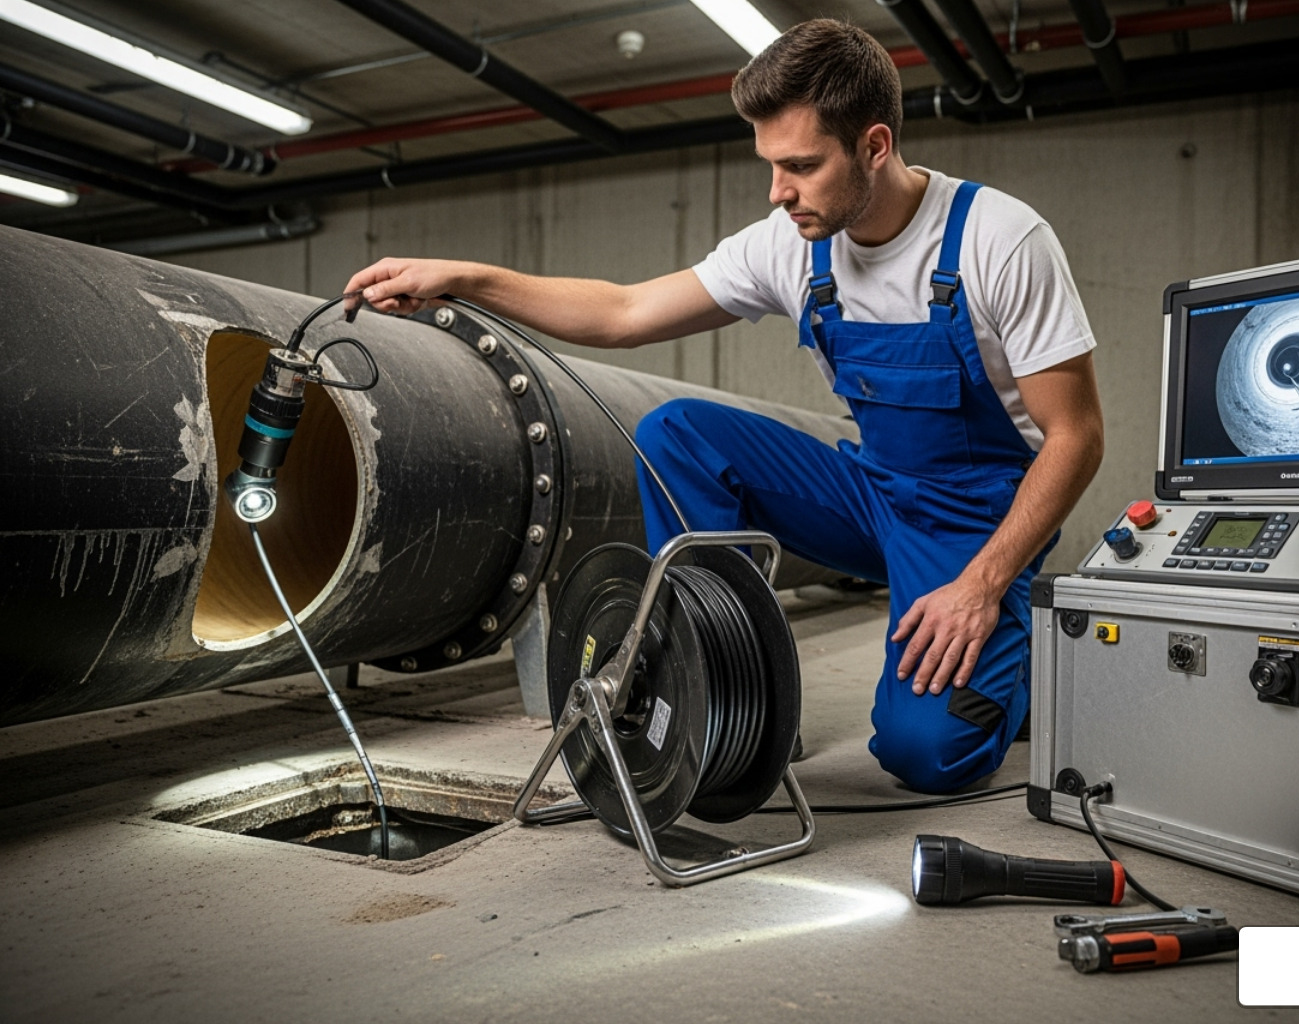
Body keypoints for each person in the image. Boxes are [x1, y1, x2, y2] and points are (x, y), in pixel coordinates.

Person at [344, 19, 1104, 794]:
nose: (779, 192)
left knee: (926, 754)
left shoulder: (999, 241)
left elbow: (1076, 437)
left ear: (875, 146)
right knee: (678, 433)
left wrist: (979, 587)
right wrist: (466, 278)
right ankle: (725, 672)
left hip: (974, 524)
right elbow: (624, 312)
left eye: (802, 166)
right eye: (770, 165)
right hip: (874, 494)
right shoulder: (791, 243)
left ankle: (1022, 663)